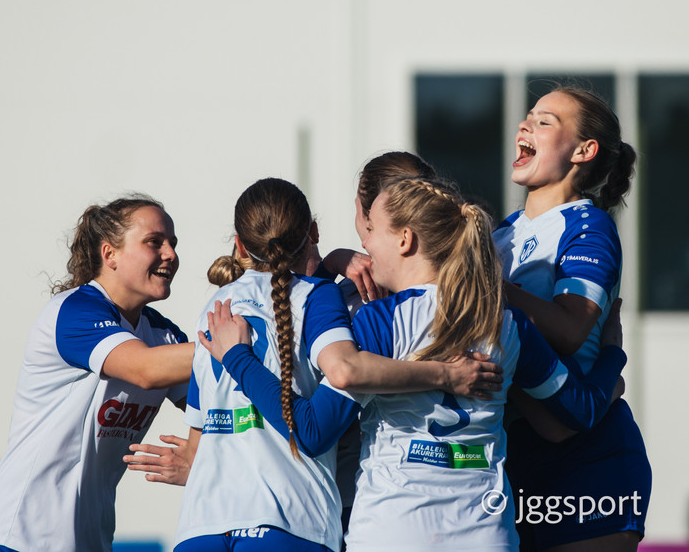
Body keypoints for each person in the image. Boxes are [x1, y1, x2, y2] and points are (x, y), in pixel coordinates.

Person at [205, 176, 628, 551]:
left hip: (392, 529)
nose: (364, 244)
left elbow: (311, 429)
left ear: (405, 240)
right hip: (486, 532)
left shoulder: (379, 322)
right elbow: (583, 408)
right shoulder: (508, 323)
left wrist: (239, 358)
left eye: (371, 229)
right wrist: (612, 355)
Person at [173, 177, 514, 552]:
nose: (364, 242)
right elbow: (314, 425)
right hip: (290, 519)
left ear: (240, 245)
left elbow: (196, 445)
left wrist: (331, 264)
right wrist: (444, 374)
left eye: (370, 229)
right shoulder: (329, 300)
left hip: (201, 524)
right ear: (313, 232)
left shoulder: (214, 308)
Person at [492, 85, 651, 551]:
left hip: (588, 456)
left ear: (584, 151)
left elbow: (568, 330)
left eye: (545, 121)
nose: (525, 125)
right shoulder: (504, 231)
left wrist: (485, 289)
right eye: (528, 116)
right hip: (518, 454)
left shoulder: (588, 225)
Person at [0, 195, 193, 552]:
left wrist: (204, 453)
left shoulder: (164, 334)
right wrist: (233, 344)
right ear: (109, 254)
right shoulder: (74, 312)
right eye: (154, 242)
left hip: (91, 541)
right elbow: (146, 369)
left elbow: (219, 401)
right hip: (19, 537)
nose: (170, 254)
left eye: (172, 243)